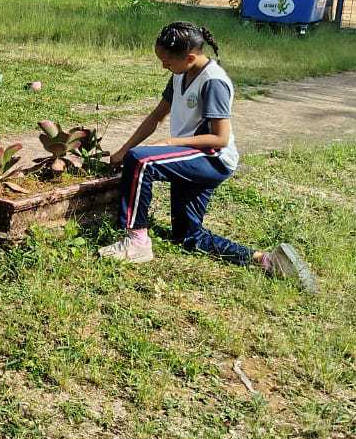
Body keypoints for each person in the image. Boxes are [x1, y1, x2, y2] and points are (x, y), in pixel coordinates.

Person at [99, 21, 309, 279]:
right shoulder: (180, 73)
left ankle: (136, 241)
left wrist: (170, 143)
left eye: (167, 62)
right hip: (192, 155)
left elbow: (220, 138)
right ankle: (264, 260)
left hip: (212, 159)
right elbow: (156, 117)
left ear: (189, 57)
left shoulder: (213, 82)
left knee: (141, 161)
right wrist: (124, 148)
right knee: (188, 236)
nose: (164, 66)